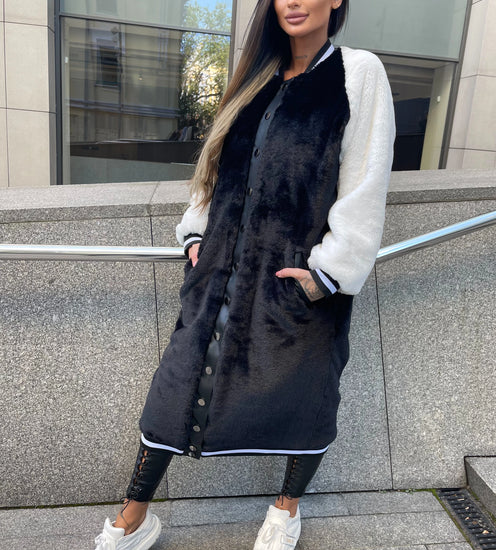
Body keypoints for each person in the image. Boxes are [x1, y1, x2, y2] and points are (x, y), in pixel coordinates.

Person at [94, 0, 395, 548]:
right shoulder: (253, 81)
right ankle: (133, 518)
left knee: (307, 399)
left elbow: (365, 183)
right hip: (216, 278)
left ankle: (286, 511)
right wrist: (196, 234)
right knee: (172, 394)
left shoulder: (357, 73)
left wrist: (325, 273)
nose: (293, 2)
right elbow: (215, 171)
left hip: (295, 284)